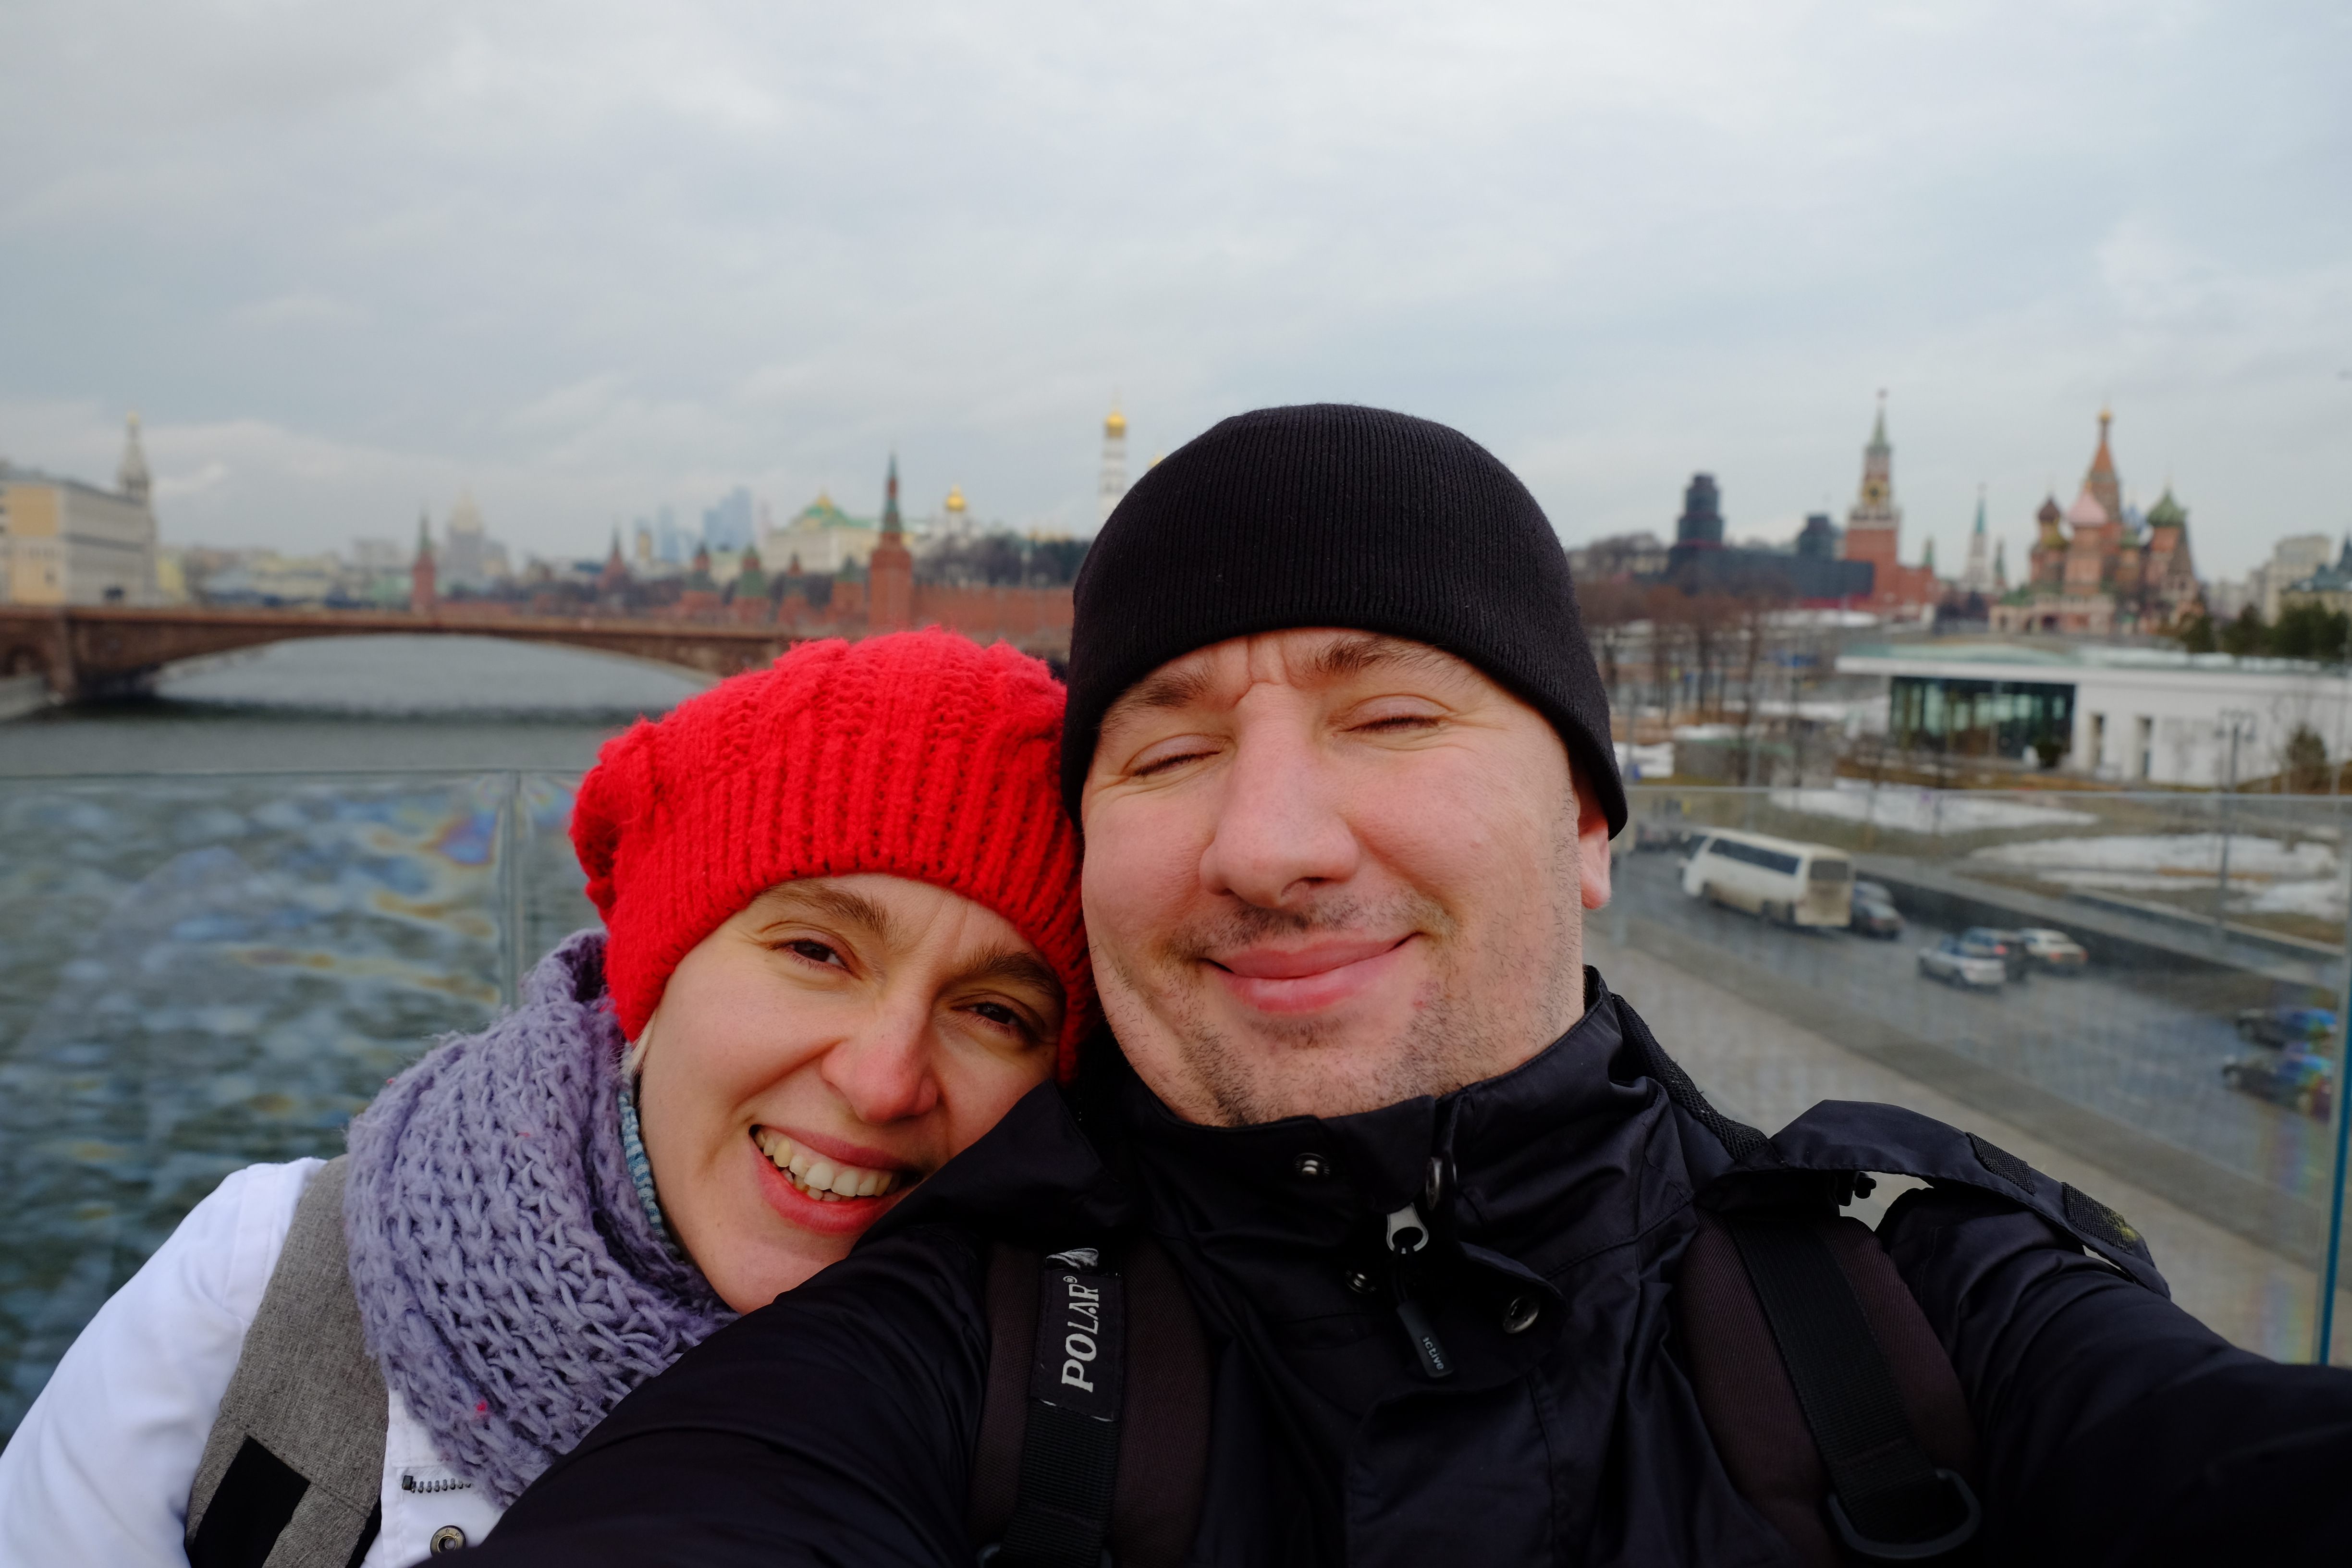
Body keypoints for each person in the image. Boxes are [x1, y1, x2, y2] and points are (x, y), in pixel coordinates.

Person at [462, 406, 2352, 1568]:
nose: (1271, 840)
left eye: (1391, 716)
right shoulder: (955, 1329)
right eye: (1166, 749)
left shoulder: (1909, 1295)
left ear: (1591, 820)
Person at [0, 629, 1090, 1568]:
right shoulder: (260, 1288)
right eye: (815, 951)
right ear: (654, 972)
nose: (884, 1080)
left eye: (996, 1013)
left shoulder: (1093, 1425)